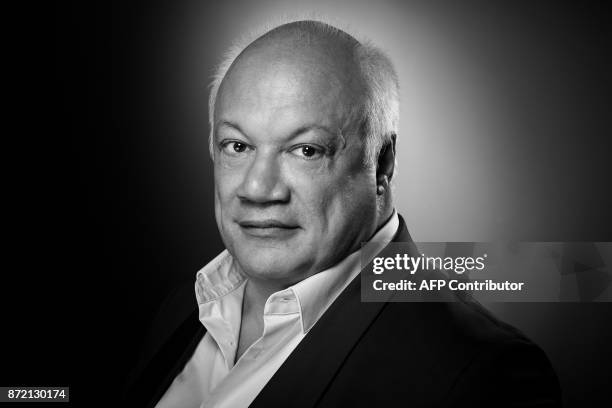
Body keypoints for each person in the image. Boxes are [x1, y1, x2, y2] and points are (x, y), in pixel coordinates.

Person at [124, 20, 561, 407]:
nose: (258, 189)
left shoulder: (483, 374)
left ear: (382, 164)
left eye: (306, 150)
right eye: (238, 146)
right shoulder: (183, 308)